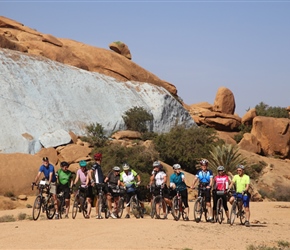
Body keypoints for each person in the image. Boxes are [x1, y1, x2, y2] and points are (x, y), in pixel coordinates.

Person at [87, 152, 106, 219]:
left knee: (101, 197)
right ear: (100, 158)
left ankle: (100, 212)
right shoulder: (96, 165)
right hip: (98, 183)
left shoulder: (98, 165)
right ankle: (97, 214)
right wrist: (92, 180)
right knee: (98, 198)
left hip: (101, 183)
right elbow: (89, 172)